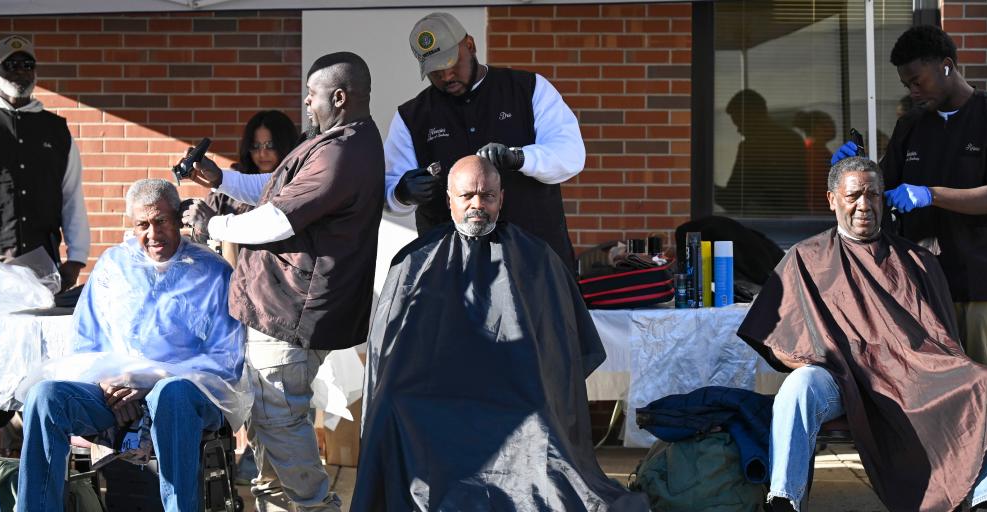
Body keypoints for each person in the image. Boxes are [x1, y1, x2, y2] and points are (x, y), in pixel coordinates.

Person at [352, 155, 647, 511]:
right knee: (390, 406)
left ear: (501, 199)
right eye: (467, 196)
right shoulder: (414, 260)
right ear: (449, 201)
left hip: (517, 388)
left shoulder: (535, 257)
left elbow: (561, 344)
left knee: (539, 416)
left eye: (487, 196)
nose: (478, 205)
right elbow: (391, 351)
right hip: (433, 390)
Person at [181, 51, 383, 512]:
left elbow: (276, 220)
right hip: (281, 307)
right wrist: (222, 179)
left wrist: (211, 226)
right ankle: (283, 503)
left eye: (312, 96)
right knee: (267, 418)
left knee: (277, 417)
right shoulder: (334, 141)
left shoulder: (343, 152)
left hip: (292, 309)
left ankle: (315, 506)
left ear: (338, 96)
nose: (307, 105)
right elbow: (276, 189)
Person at [738, 157, 987, 512]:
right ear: (832, 200)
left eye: (873, 194)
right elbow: (773, 336)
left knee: (983, 382)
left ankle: (985, 499)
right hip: (841, 380)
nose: (864, 205)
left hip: (912, 375)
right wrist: (815, 355)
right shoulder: (804, 257)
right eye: (854, 195)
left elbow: (944, 343)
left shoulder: (916, 260)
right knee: (799, 387)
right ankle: (784, 499)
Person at [15, 178, 248, 512]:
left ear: (179, 218)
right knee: (45, 398)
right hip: (113, 390)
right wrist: (107, 382)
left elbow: (226, 361)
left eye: (161, 221)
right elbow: (85, 340)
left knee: (171, 394)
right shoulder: (113, 265)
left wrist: (150, 381)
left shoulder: (212, 272)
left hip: (187, 396)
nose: (152, 233)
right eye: (142, 224)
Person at [832, 25, 987, 366]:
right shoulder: (911, 126)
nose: (914, 91)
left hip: (981, 289)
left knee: (983, 385)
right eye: (907, 85)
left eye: (918, 81)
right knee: (934, 387)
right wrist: (853, 168)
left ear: (946, 65)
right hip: (921, 288)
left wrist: (930, 194)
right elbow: (882, 188)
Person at [385, 12, 584, 268]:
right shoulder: (411, 117)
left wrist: (520, 158)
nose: (446, 77)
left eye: (452, 63)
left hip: (535, 265)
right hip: (451, 270)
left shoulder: (528, 89)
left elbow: (571, 155)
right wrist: (402, 193)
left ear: (470, 45)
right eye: (435, 71)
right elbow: (389, 193)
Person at [0, 35, 89, 290]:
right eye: (10, 65)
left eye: (27, 65)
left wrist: (76, 258)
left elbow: (71, 195)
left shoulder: (55, 131)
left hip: (41, 266)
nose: (20, 72)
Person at [205, 110, 299, 267]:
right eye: (255, 146)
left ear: (285, 145)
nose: (262, 153)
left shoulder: (297, 184)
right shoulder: (227, 189)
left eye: (271, 145)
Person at [716, 89, 807, 216]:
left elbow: (735, 198)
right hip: (795, 220)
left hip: (763, 220)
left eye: (739, 123)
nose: (738, 130)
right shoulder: (793, 139)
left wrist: (708, 189)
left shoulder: (752, 146)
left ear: (752, 116)